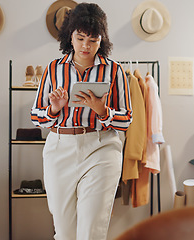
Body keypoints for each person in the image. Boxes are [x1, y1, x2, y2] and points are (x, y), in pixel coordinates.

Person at [30, 3, 132, 240]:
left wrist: (102, 110)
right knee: (64, 232)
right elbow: (36, 116)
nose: (86, 45)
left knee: (91, 231)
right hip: (59, 148)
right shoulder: (53, 69)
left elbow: (126, 120)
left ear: (102, 40)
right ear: (70, 36)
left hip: (101, 148)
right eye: (81, 37)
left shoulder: (114, 71)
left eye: (93, 39)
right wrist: (54, 109)